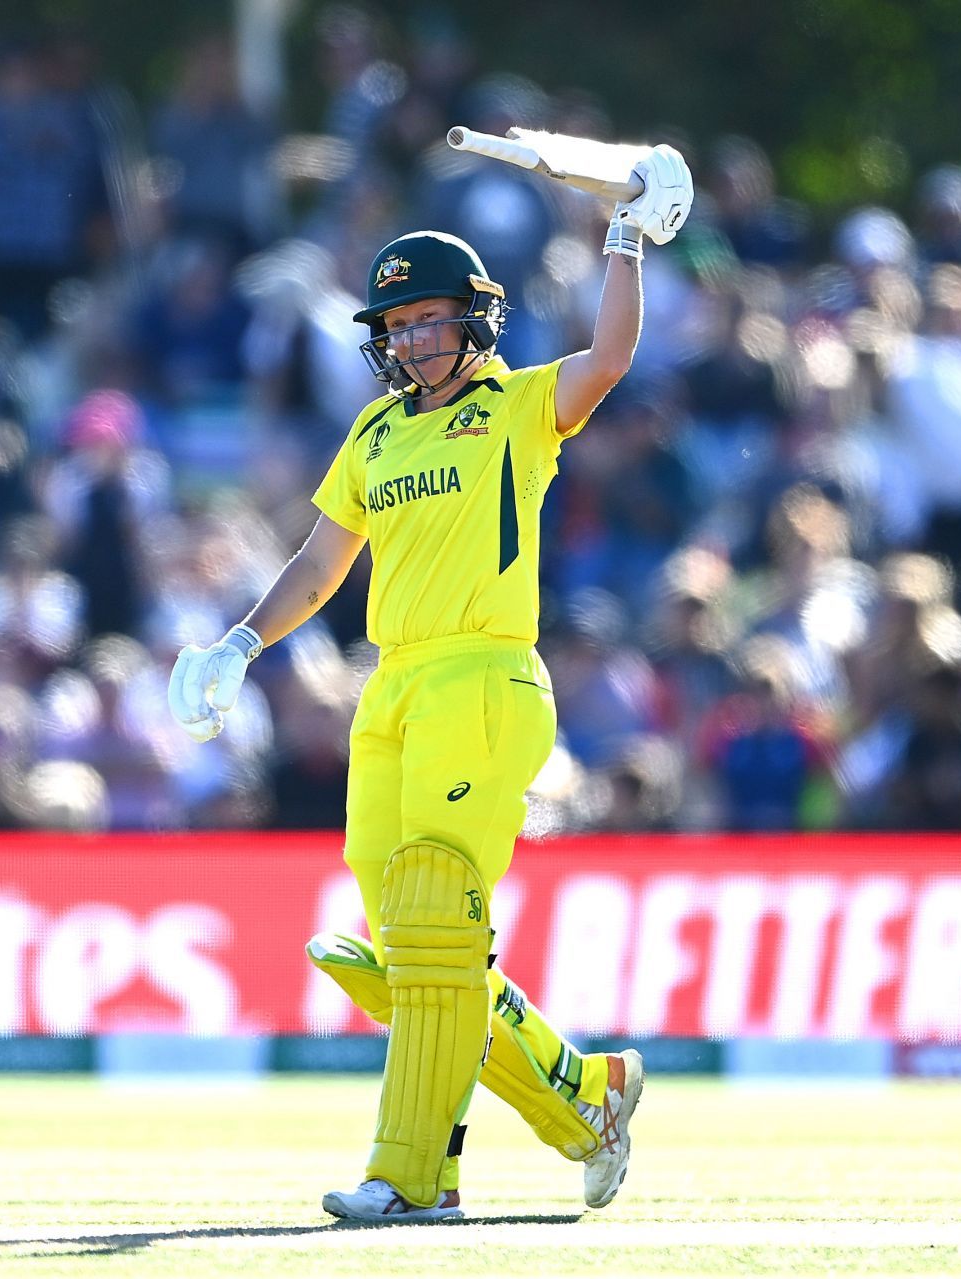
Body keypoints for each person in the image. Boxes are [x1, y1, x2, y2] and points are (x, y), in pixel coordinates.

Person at [168, 145, 694, 1221]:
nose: (411, 339)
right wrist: (240, 643)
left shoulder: (514, 405)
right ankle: (587, 1096)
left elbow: (612, 355)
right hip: (391, 686)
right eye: (396, 327)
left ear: (474, 320)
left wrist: (627, 233)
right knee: (418, 950)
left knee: (430, 930)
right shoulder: (371, 431)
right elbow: (321, 564)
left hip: (487, 675)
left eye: (428, 320)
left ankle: (411, 1177)